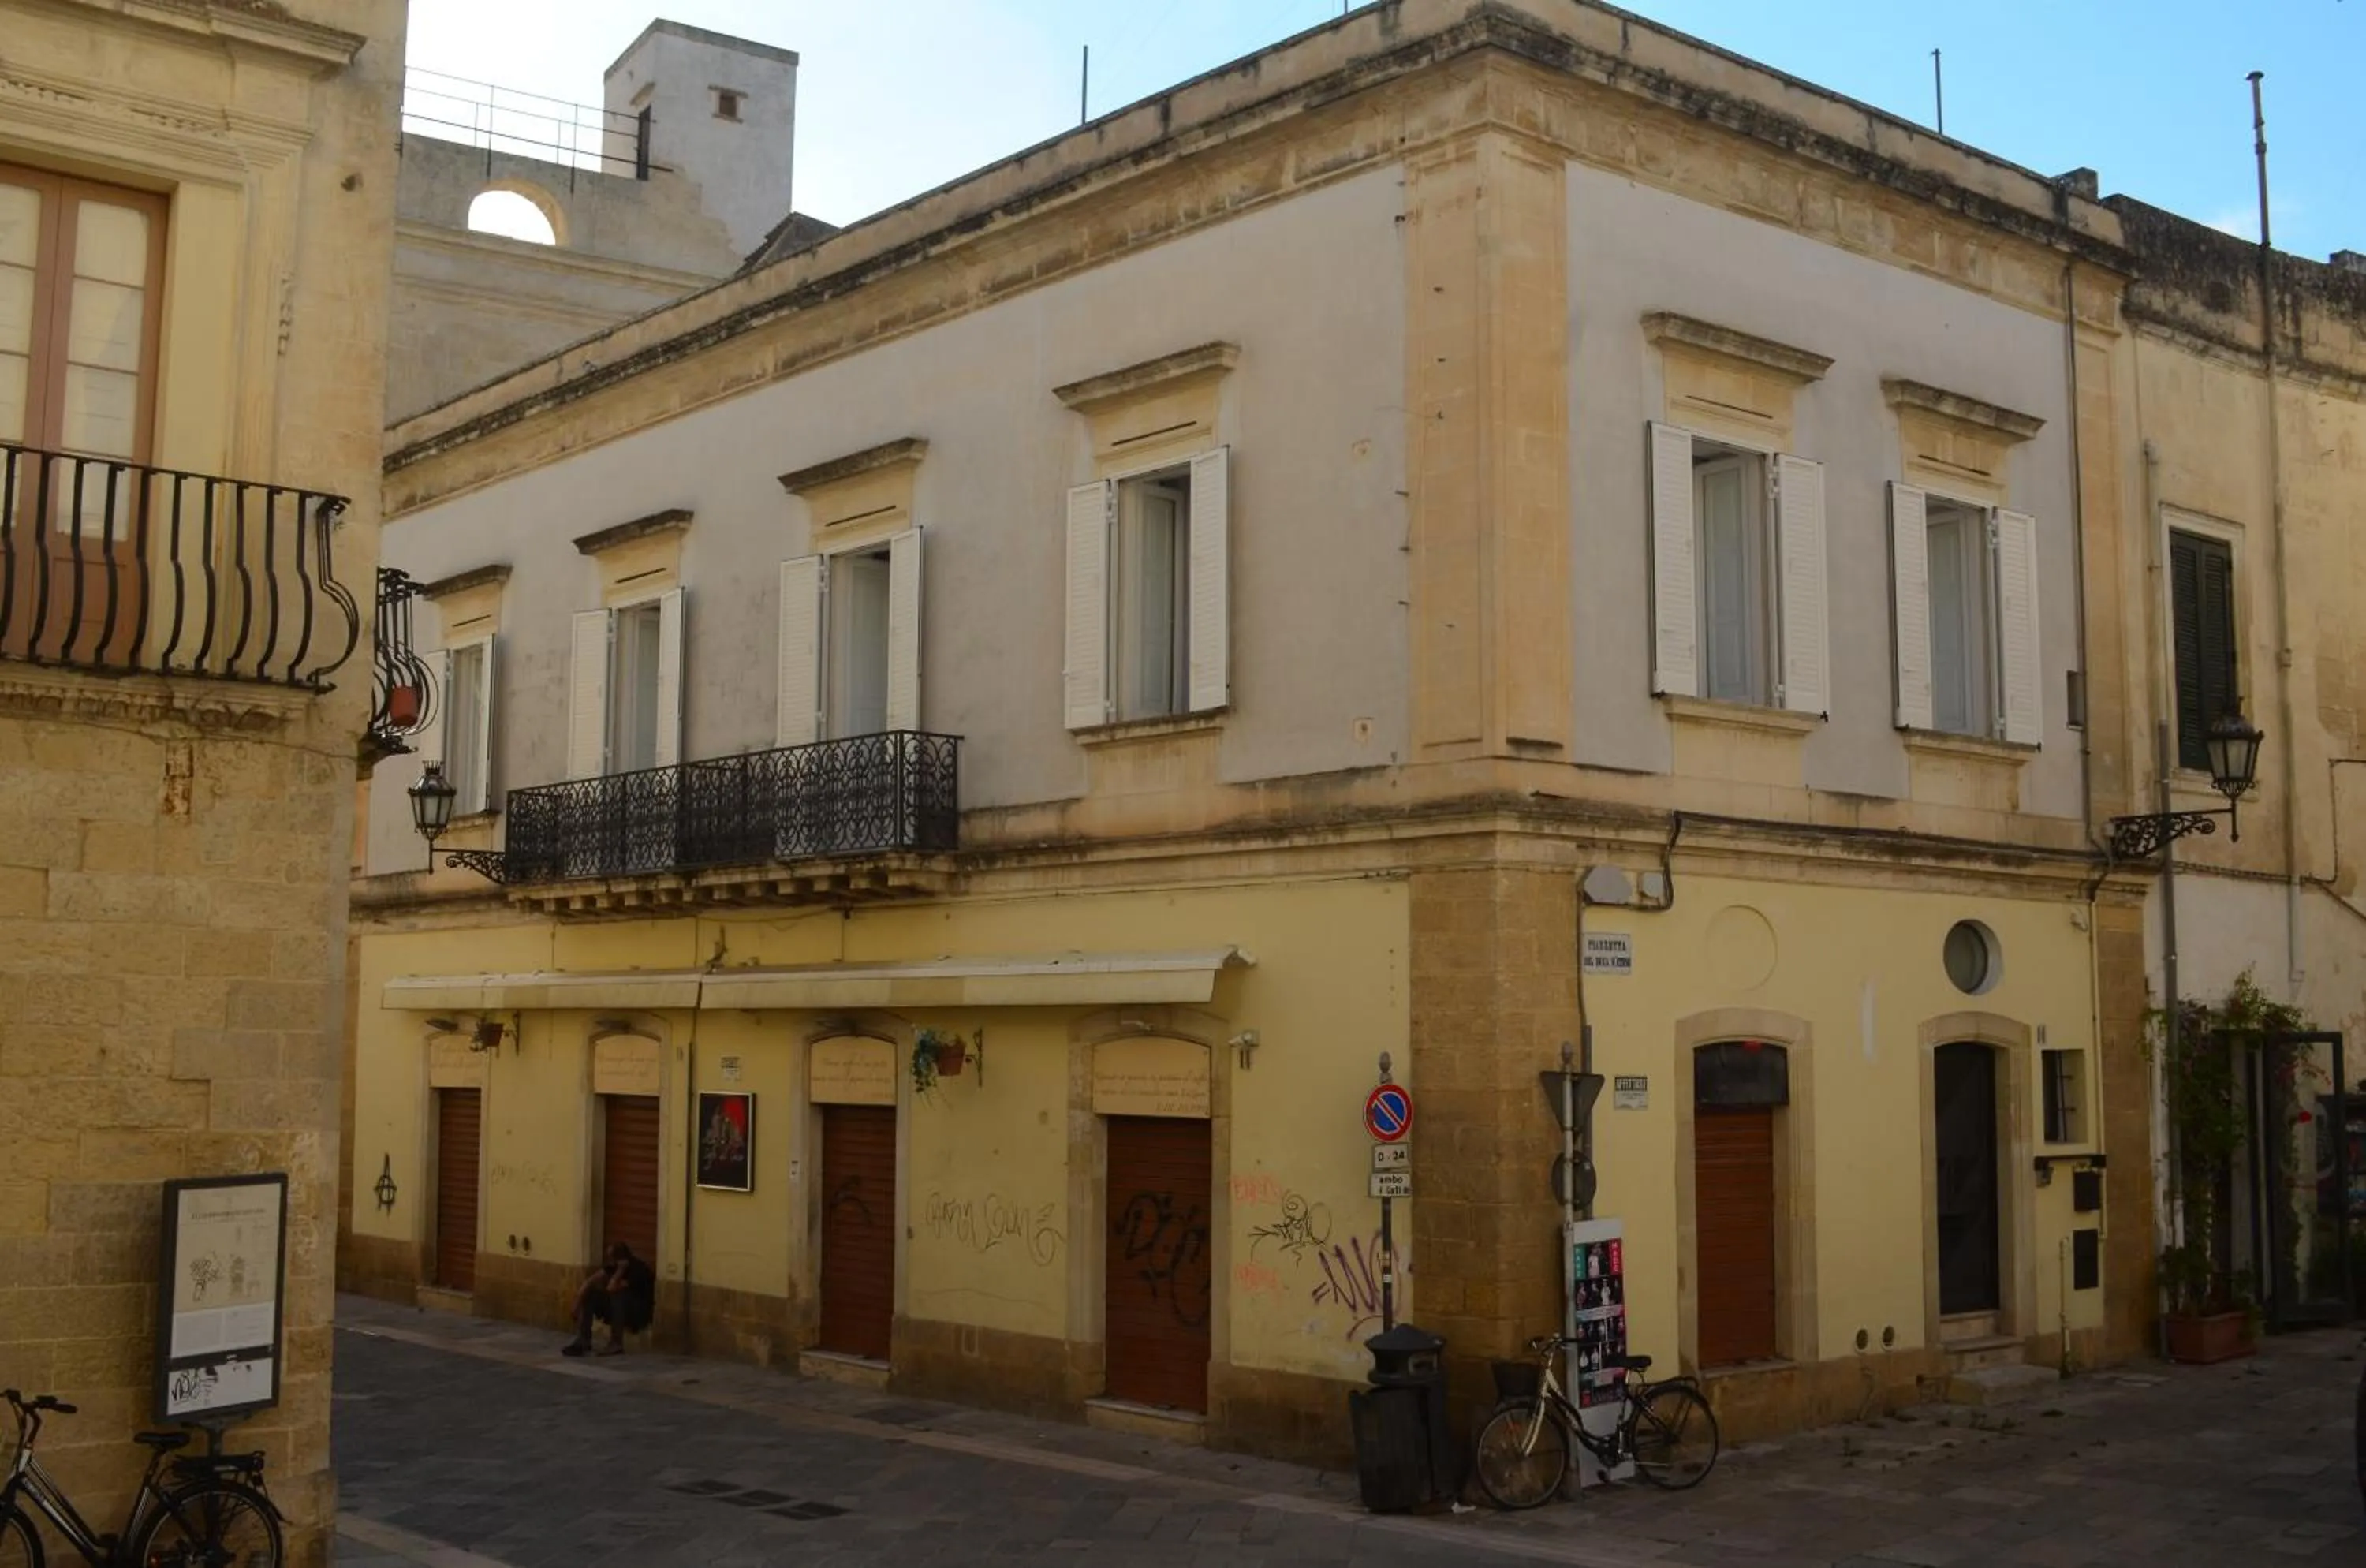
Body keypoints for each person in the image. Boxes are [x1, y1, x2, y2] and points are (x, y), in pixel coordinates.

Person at [562, 1242, 654, 1357]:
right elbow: (589, 1281)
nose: (610, 1261)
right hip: (617, 1308)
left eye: (612, 1258)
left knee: (617, 1295)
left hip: (637, 1312)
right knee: (591, 1294)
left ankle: (616, 1343)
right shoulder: (613, 1266)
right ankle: (583, 1341)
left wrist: (620, 1270)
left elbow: (612, 1287)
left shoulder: (638, 1270)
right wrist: (577, 1302)